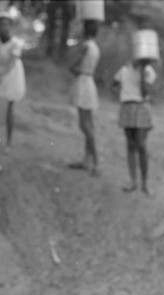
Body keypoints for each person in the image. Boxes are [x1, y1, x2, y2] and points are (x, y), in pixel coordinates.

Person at [112, 58, 157, 195]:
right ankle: (133, 181)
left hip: (141, 107)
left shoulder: (148, 71)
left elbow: (145, 93)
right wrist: (120, 96)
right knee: (130, 145)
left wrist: (142, 73)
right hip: (127, 107)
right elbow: (113, 84)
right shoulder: (124, 70)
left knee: (141, 145)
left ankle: (145, 183)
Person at [67, 20, 101, 177]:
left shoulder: (86, 46)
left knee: (86, 126)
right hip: (89, 82)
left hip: (83, 83)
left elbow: (73, 65)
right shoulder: (95, 47)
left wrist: (74, 68)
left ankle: (95, 162)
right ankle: (88, 160)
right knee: (89, 125)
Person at [0, 12, 26, 147]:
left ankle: (8, 142)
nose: (3, 27)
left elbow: (11, 63)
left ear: (10, 26)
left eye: (6, 24)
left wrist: (0, 76)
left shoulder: (16, 43)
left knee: (10, 107)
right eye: (0, 24)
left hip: (11, 75)